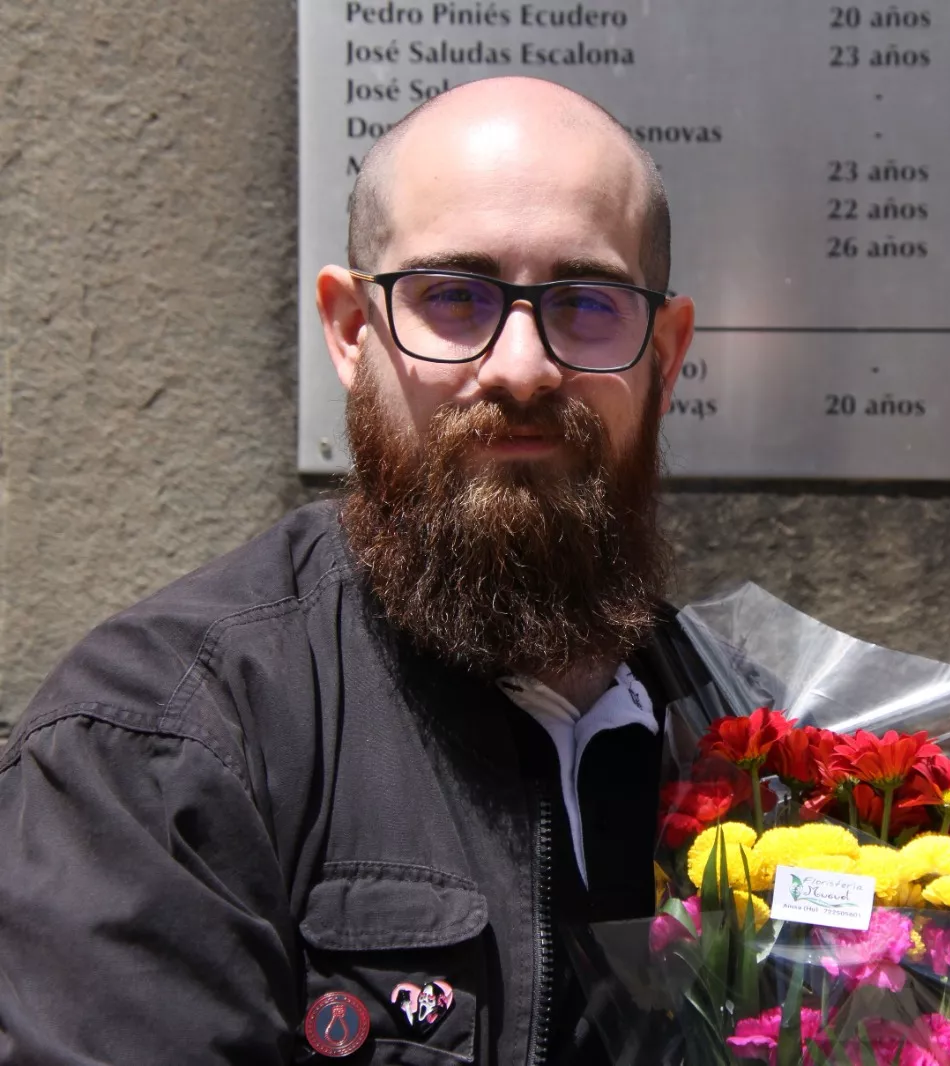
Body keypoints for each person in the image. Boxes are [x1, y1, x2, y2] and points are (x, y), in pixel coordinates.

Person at [0, 77, 712, 1064]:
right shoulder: (167, 745)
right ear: (349, 330)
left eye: (585, 303)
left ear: (665, 356)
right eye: (453, 298)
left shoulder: (746, 735)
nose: (519, 366)